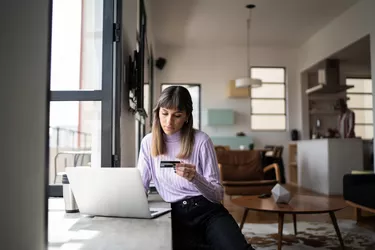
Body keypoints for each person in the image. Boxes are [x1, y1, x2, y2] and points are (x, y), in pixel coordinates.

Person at [137, 86, 255, 250]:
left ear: (186, 116)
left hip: (208, 211)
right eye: (164, 113)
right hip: (175, 215)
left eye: (177, 115)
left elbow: (217, 195)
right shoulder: (148, 142)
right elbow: (140, 187)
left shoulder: (201, 141)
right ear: (158, 112)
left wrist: (195, 178)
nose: (169, 121)